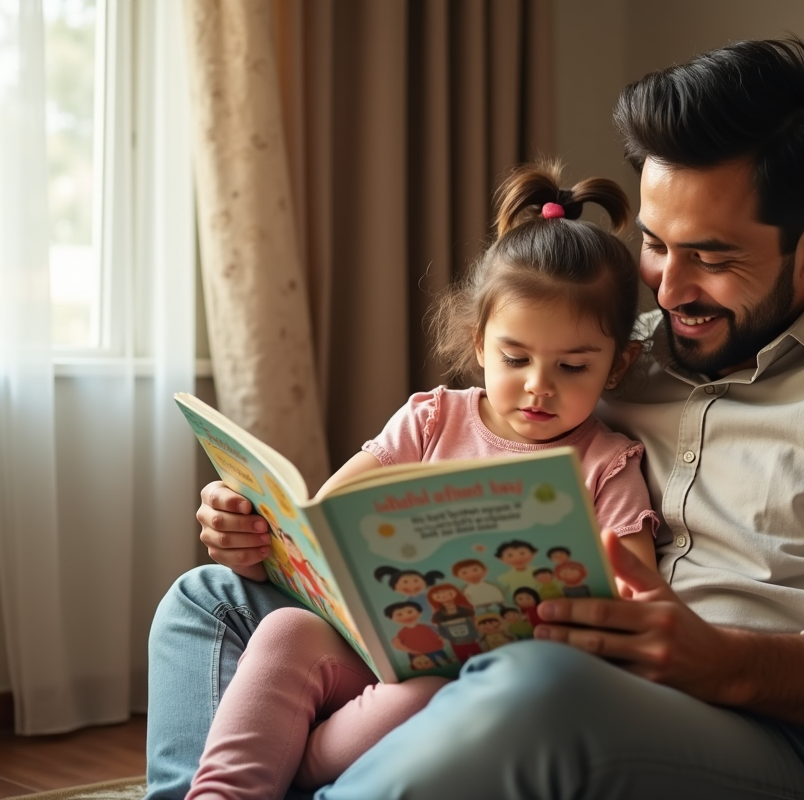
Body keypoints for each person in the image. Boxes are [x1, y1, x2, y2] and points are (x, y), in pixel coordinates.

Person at [148, 37, 804, 800]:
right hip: (533, 665)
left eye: (712, 258)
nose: (666, 291)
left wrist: (726, 662)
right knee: (212, 600)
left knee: (533, 688)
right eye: (659, 245)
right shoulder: (606, 353)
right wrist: (273, 539)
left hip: (788, 740)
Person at [168, 161, 661, 800]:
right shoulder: (432, 419)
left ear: (618, 365)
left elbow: (635, 600)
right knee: (284, 631)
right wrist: (257, 522)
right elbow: (324, 518)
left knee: (424, 697)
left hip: (479, 679)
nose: (540, 385)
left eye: (572, 366)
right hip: (371, 639)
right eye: (516, 359)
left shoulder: (608, 464)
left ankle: (294, 777)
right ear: (479, 343)